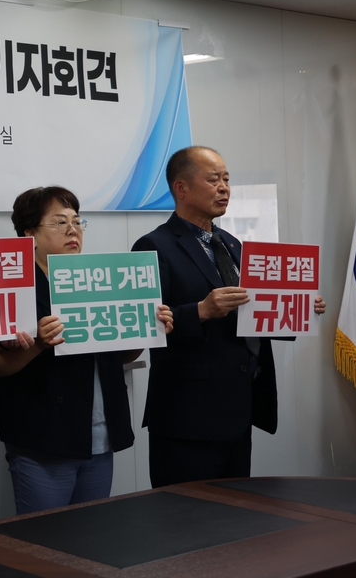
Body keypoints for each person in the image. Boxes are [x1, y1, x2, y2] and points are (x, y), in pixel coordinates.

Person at [132, 146, 325, 486]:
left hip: (238, 408)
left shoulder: (233, 244)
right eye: (213, 180)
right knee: (184, 514)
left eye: (226, 179)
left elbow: (251, 313)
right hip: (187, 417)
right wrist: (200, 311)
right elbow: (143, 324)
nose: (224, 188)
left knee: (235, 513)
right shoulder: (154, 246)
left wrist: (298, 307)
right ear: (181, 188)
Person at [0, 186, 173, 514]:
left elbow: (122, 357)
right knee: (45, 538)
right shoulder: (10, 285)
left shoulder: (102, 280)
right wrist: (39, 344)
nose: (73, 230)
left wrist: (146, 330)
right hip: (44, 439)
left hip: (100, 436)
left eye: (77, 221)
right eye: (60, 222)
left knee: (91, 534)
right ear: (29, 234)